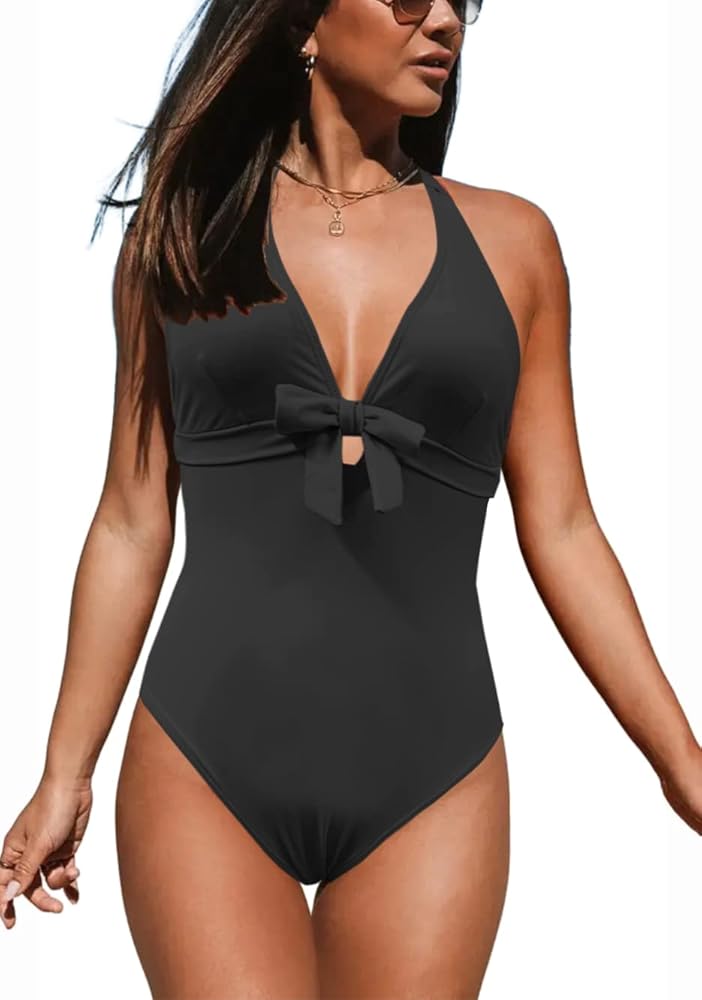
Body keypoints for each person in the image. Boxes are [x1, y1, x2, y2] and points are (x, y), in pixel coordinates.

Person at [2, 0, 701, 997]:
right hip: (203, 762)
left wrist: (682, 762)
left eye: (462, 2)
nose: (445, 22)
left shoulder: (515, 245)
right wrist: (64, 771)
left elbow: (563, 525)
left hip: (436, 776)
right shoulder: (184, 229)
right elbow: (129, 517)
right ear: (306, 23)